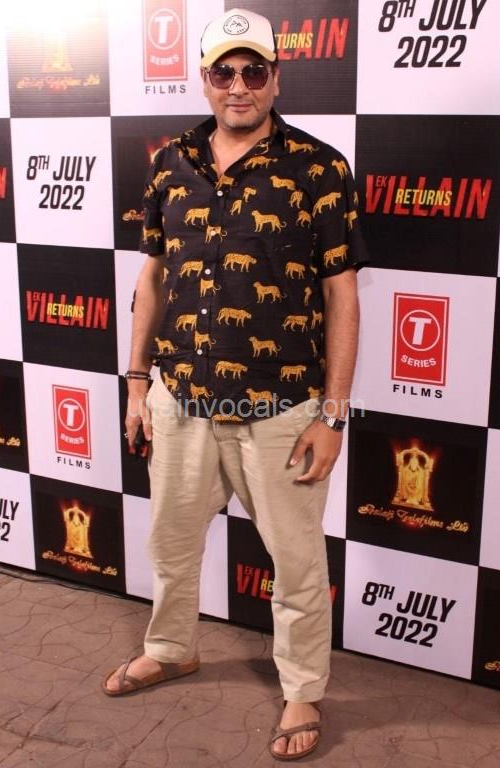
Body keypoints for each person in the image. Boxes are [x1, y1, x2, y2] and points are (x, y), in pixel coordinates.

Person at [102, 7, 369, 760]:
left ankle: (302, 690)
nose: (239, 85)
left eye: (254, 70)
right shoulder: (170, 163)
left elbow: (342, 295)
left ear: (276, 77)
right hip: (179, 398)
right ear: (205, 78)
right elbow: (152, 278)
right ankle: (172, 648)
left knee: (296, 562)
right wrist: (136, 383)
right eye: (224, 71)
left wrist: (333, 415)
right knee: (171, 544)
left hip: (282, 408)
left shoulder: (319, 169)